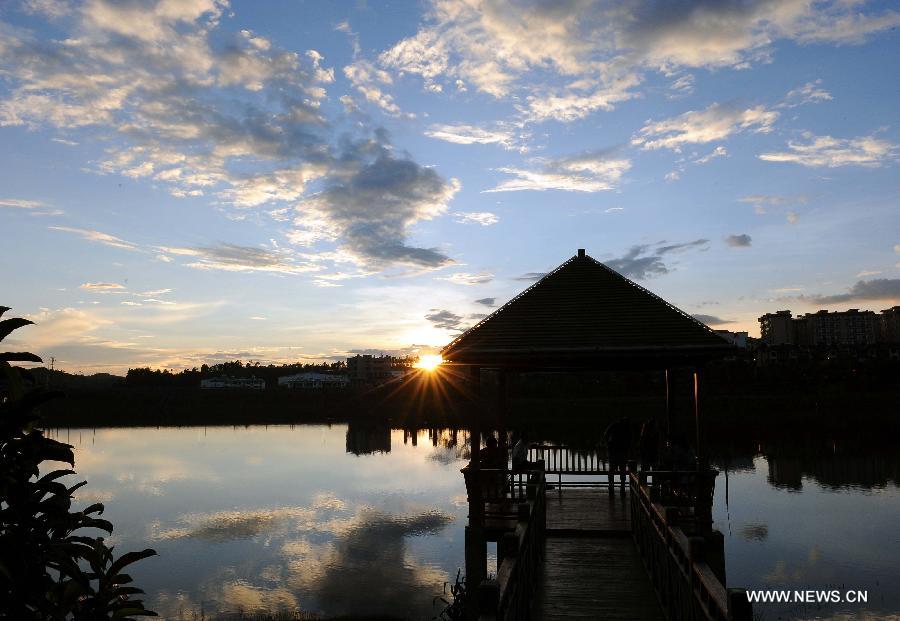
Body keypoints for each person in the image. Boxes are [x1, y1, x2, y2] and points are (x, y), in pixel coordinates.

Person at [604, 417, 632, 490]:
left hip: (613, 450)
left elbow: (606, 435)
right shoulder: (627, 428)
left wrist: (608, 445)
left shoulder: (614, 425)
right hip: (622, 451)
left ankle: (611, 485)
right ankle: (622, 485)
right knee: (622, 468)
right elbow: (630, 439)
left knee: (612, 468)